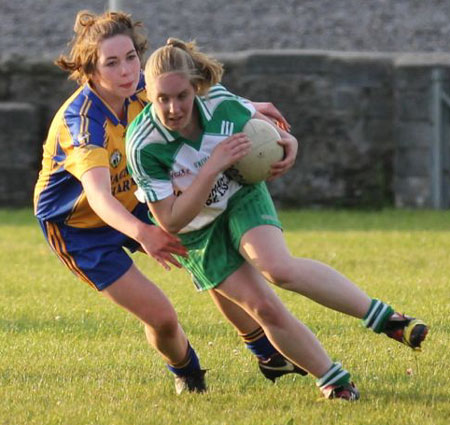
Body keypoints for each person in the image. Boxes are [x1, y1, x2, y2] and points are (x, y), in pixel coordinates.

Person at [126, 38, 429, 401]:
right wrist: (212, 166)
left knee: (278, 268)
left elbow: (268, 130)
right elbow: (171, 221)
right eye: (162, 99)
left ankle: (389, 321)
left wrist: (290, 143)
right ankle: (334, 382)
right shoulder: (142, 144)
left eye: (182, 96)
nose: (173, 108)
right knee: (263, 307)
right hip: (195, 232)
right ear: (148, 93)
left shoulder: (220, 104)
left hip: (239, 196)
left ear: (197, 88)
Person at [33, 10, 308, 395]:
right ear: (90, 69)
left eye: (130, 57)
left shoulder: (142, 92)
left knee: (208, 250)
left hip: (137, 199)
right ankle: (189, 374)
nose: (127, 70)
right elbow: (98, 197)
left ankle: (266, 352)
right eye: (111, 63)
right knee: (162, 317)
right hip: (81, 229)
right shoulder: (81, 122)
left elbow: (197, 95)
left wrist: (251, 108)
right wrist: (145, 232)